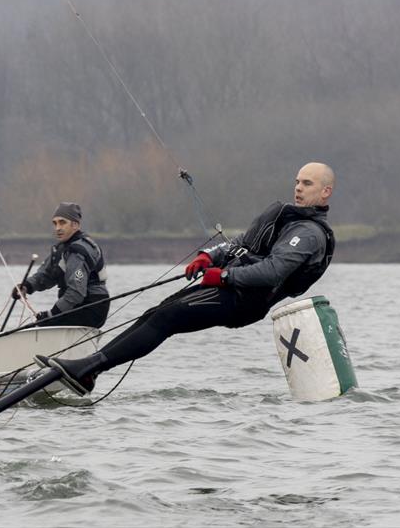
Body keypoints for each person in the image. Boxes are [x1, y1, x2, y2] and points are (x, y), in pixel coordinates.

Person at [35, 162, 336, 395]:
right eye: (297, 181)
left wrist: (225, 276)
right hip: (229, 286)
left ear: (325, 192)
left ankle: (88, 368)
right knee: (156, 313)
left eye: (307, 184)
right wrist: (210, 256)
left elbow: (272, 271)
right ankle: (89, 370)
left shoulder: (309, 235)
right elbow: (240, 242)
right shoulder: (285, 215)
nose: (298, 188)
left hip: (244, 300)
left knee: (166, 317)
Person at [12, 202, 109, 328]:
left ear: (75, 225)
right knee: (43, 322)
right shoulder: (61, 249)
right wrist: (26, 286)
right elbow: (46, 275)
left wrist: (51, 315)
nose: (57, 228)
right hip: (76, 306)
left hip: (91, 307)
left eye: (62, 222)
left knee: (42, 324)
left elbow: (76, 292)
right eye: (55, 223)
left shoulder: (78, 251)